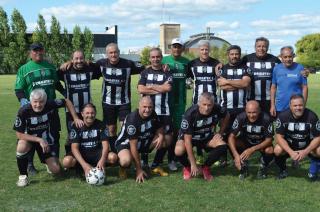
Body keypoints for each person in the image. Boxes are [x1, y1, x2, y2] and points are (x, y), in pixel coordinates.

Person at [14, 89, 83, 187]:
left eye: (41, 101)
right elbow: (19, 135)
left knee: (56, 170)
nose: (38, 104)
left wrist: (75, 117)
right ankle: (23, 176)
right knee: (21, 146)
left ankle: (48, 162)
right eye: (35, 102)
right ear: (31, 101)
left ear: (45, 101)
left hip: (47, 141)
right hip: (31, 140)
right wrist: (39, 140)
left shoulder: (50, 104)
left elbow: (66, 101)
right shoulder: (23, 111)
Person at [14, 42, 63, 175]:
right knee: (31, 135)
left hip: (51, 109)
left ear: (43, 51)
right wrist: (23, 101)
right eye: (35, 51)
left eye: (40, 50)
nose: (38, 53)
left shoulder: (50, 67)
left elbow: (57, 84)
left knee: (54, 134)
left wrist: (65, 93)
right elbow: (18, 89)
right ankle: (30, 164)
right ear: (30, 52)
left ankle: (52, 160)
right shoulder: (24, 69)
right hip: (33, 111)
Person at [57, 50, 101, 168]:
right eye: (76, 59)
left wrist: (90, 62)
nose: (79, 61)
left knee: (88, 134)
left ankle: (89, 157)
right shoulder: (65, 70)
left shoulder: (89, 69)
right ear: (72, 60)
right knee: (72, 135)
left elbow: (100, 68)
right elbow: (54, 79)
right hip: (71, 111)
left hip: (87, 111)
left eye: (81, 58)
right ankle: (70, 159)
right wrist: (64, 92)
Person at [175, 92, 229, 181]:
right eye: (204, 104)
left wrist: (220, 132)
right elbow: (187, 141)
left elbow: (227, 115)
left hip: (206, 137)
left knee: (222, 146)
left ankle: (205, 167)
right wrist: (193, 164)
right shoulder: (190, 114)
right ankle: (188, 167)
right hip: (191, 139)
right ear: (199, 103)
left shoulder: (217, 108)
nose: (207, 108)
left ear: (213, 104)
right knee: (178, 150)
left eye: (209, 105)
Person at [115, 96, 170, 183]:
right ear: (139, 106)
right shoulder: (132, 120)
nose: (147, 110)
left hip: (142, 141)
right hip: (127, 144)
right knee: (125, 161)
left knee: (167, 139)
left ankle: (155, 165)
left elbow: (159, 128)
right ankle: (123, 168)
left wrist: (161, 136)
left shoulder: (152, 113)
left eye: (150, 107)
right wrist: (139, 169)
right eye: (144, 107)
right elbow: (133, 146)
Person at [138, 47, 173, 176]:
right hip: (148, 112)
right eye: (153, 57)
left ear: (161, 57)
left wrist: (151, 86)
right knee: (147, 136)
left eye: (158, 57)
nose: (155, 59)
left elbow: (167, 88)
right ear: (150, 58)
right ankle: (144, 161)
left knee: (168, 138)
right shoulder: (145, 72)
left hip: (164, 111)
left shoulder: (167, 72)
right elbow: (141, 89)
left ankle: (156, 164)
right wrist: (159, 88)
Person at [217, 45, 251, 166]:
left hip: (242, 108)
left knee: (241, 134)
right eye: (232, 54)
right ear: (228, 55)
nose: (234, 56)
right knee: (223, 133)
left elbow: (246, 83)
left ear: (240, 54)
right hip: (225, 108)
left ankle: (241, 157)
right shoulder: (222, 69)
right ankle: (223, 158)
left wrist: (228, 81)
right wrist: (239, 84)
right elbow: (223, 86)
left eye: (237, 54)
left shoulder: (245, 68)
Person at [274, 94, 320, 180]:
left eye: (300, 105)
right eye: (295, 105)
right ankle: (283, 170)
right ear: (290, 106)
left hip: (307, 145)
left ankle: (314, 172)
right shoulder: (283, 117)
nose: (298, 108)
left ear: (304, 105)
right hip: (290, 145)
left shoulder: (312, 116)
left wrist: (305, 151)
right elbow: (279, 137)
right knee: (277, 150)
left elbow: (318, 137)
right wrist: (291, 152)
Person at [162, 38, 190, 171]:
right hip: (166, 102)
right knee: (167, 130)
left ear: (182, 49)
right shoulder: (164, 60)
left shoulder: (186, 62)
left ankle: (174, 158)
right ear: (170, 48)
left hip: (180, 102)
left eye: (179, 47)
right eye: (174, 47)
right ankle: (163, 159)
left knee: (178, 131)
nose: (176, 49)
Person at [68, 103, 118, 177]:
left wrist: (102, 161)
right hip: (83, 154)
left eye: (92, 113)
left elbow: (106, 145)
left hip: (97, 153)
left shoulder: (101, 125)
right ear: (82, 114)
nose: (90, 115)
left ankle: (99, 167)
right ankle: (81, 168)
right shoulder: (77, 126)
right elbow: (74, 148)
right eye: (87, 113)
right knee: (67, 161)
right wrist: (84, 165)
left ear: (95, 113)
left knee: (113, 157)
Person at [228, 100, 274, 180]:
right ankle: (243, 165)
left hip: (261, 143)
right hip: (246, 142)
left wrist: (252, 149)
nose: (251, 115)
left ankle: (263, 166)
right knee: (233, 143)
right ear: (245, 111)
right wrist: (236, 155)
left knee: (269, 150)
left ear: (259, 110)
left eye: (254, 112)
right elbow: (231, 137)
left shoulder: (266, 118)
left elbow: (269, 140)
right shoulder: (240, 117)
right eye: (249, 112)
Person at [242, 37, 281, 113]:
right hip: (251, 99)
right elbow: (235, 66)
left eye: (264, 46)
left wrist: (303, 71)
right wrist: (219, 64)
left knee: (268, 122)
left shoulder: (275, 60)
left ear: (267, 48)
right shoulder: (246, 59)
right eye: (259, 46)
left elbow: (286, 68)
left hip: (269, 100)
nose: (261, 48)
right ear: (255, 47)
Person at [270, 46, 308, 117]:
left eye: (290, 56)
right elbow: (273, 87)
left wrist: (303, 105)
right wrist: (272, 105)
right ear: (281, 57)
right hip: (280, 106)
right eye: (285, 57)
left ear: (293, 56)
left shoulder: (300, 68)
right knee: (281, 127)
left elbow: (305, 87)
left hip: (297, 106)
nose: (288, 59)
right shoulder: (276, 69)